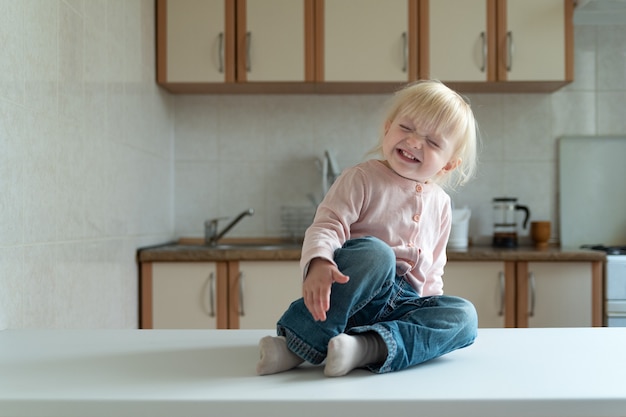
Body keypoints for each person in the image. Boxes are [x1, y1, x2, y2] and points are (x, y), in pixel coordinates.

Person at [256, 80, 479, 377]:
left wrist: (428, 308)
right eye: (407, 128)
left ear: (448, 165)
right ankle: (296, 344)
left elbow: (434, 268)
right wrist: (320, 261)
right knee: (377, 253)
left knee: (465, 316)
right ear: (388, 128)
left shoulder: (441, 203)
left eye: (432, 141)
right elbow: (327, 225)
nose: (414, 142)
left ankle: (365, 347)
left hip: (403, 306)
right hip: (352, 293)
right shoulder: (361, 178)